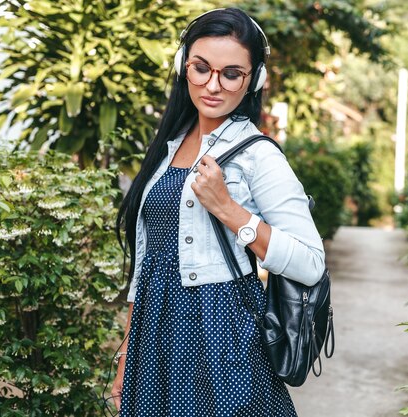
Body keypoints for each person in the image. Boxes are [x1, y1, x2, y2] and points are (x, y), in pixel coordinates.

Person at [111, 7, 326, 417]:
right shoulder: (168, 147)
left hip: (221, 331)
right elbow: (146, 266)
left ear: (254, 81)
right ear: (183, 68)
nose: (213, 85)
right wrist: (125, 356)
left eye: (231, 73)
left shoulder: (258, 155)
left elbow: (311, 262)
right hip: (154, 337)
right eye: (201, 68)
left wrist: (229, 210)